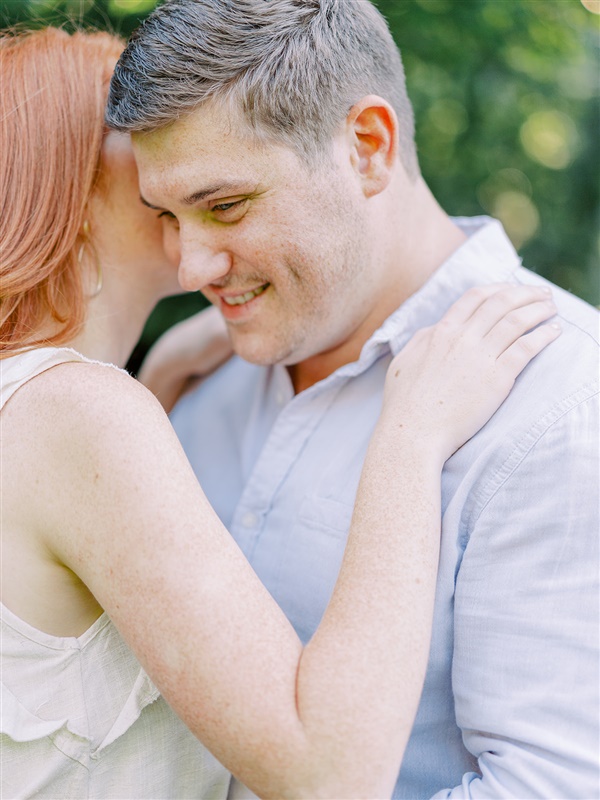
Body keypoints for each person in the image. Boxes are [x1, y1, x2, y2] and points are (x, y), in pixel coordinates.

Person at [0, 26, 560, 800]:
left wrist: (153, 390)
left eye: (222, 204)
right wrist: (408, 435)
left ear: (368, 146)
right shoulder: (91, 413)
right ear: (62, 185)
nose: (193, 261)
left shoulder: (557, 397)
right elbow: (326, 773)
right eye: (155, 199)